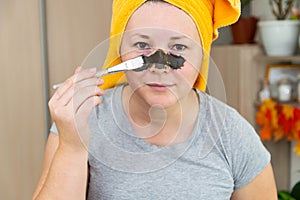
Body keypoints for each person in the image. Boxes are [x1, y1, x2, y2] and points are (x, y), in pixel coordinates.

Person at [33, 0, 277, 199]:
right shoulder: (81, 121)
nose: (160, 67)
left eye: (179, 47)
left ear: (202, 55)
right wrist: (72, 146)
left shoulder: (233, 135)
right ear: (120, 51)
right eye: (142, 44)